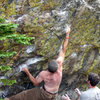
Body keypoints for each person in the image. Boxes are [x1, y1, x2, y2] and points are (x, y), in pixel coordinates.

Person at [5, 26, 71, 100]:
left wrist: (27, 72)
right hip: (54, 94)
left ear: (48, 67)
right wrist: (67, 34)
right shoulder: (59, 68)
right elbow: (64, 49)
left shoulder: (44, 74)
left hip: (45, 94)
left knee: (25, 94)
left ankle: (9, 99)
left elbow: (35, 83)